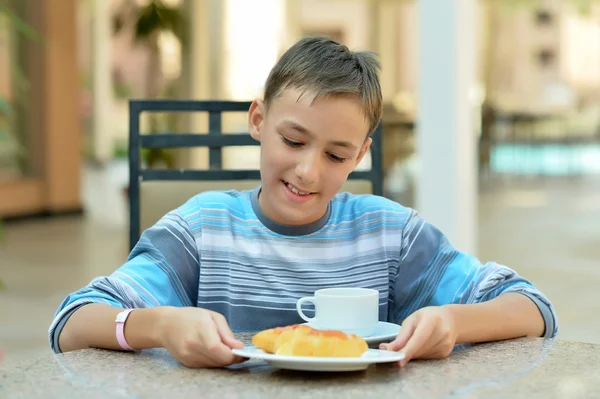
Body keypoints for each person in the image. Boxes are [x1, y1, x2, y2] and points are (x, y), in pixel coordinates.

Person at [49, 37, 558, 369]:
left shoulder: (390, 234)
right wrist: (159, 324)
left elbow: (533, 308)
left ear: (361, 154)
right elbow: (71, 322)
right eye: (293, 141)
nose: (308, 171)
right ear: (257, 121)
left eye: (336, 155)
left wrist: (452, 321)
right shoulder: (203, 227)